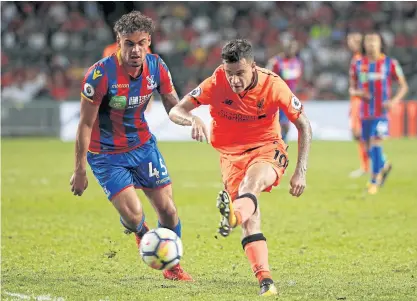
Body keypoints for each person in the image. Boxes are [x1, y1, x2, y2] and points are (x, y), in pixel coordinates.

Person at [168, 39, 312, 296]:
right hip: (230, 156)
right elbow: (176, 110)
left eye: (240, 73)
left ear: (253, 67)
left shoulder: (273, 84)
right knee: (250, 219)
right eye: (229, 73)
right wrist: (192, 119)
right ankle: (265, 279)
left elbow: (304, 125)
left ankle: (232, 215)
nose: (234, 80)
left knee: (252, 185)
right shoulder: (215, 83)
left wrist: (300, 170)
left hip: (267, 147)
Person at [70, 11, 192, 281]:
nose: (135, 49)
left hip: (143, 146)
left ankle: (173, 267)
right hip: (106, 155)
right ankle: (139, 231)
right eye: (129, 43)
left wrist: (191, 120)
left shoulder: (157, 66)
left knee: (169, 211)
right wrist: (79, 170)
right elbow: (85, 125)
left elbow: (174, 106)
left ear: (148, 42)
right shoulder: (100, 74)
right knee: (135, 216)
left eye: (141, 43)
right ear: (118, 41)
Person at [349, 31, 408, 194]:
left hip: (381, 113)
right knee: (368, 148)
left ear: (381, 43)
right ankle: (384, 165)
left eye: (374, 41)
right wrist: (359, 93)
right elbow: (352, 88)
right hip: (364, 112)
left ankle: (374, 180)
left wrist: (394, 101)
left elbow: (403, 86)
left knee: (376, 143)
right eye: (368, 41)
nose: (371, 44)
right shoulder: (358, 64)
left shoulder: (390, 63)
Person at [266, 40, 302, 143]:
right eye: (290, 48)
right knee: (278, 124)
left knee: (286, 125)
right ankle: (275, 146)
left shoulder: (297, 62)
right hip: (277, 97)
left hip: (291, 97)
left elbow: (296, 79)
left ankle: (281, 145)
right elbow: (268, 77)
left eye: (294, 48)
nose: (292, 50)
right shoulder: (276, 61)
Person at [346, 31, 369, 178]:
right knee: (357, 134)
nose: (350, 43)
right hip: (355, 100)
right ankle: (366, 166)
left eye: (352, 41)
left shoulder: (364, 60)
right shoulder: (356, 58)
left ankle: (377, 164)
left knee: (361, 134)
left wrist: (358, 92)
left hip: (361, 100)